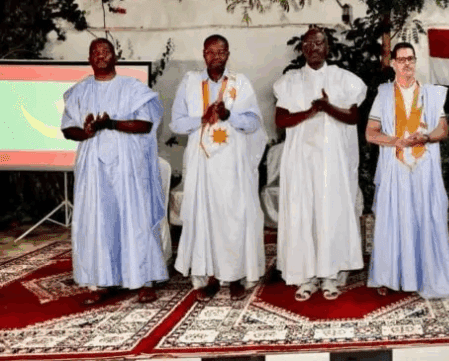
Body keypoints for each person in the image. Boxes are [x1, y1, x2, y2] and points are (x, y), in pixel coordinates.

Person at [61, 38, 168, 305]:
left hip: (128, 165)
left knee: (135, 218)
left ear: (115, 57)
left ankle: (143, 280)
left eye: (105, 51)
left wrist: (111, 124)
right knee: (98, 220)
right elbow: (68, 129)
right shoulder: (80, 91)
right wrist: (86, 131)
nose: (100, 56)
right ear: (89, 59)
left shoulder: (132, 87)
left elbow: (144, 125)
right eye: (95, 52)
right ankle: (102, 281)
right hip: (93, 167)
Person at [170, 34, 267, 301]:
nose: (216, 57)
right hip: (202, 162)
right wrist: (201, 119)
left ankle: (234, 276)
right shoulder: (190, 82)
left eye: (221, 52)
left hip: (232, 162)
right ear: (204, 54)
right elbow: (176, 123)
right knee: (205, 216)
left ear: (228, 54)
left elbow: (253, 123)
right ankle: (211, 276)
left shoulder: (240, 82)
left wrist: (228, 115)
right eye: (211, 52)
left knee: (233, 216)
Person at [273, 28, 367, 301]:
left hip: (332, 160)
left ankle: (330, 275)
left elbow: (353, 116)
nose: (313, 48)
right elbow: (280, 119)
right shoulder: (290, 81)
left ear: (328, 48)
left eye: (319, 43)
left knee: (330, 213)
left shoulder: (343, 78)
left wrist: (328, 108)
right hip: (300, 160)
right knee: (304, 213)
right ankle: (306, 275)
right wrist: (311, 111)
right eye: (308, 44)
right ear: (302, 49)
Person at [365, 42, 449, 299]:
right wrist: (395, 141)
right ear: (393, 63)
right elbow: (371, 133)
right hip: (395, 166)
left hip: (424, 166)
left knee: (425, 218)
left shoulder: (430, 94)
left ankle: (426, 274)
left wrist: (426, 137)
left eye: (411, 59)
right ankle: (389, 276)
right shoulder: (383, 95)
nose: (407, 64)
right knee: (393, 220)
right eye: (401, 59)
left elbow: (443, 129)